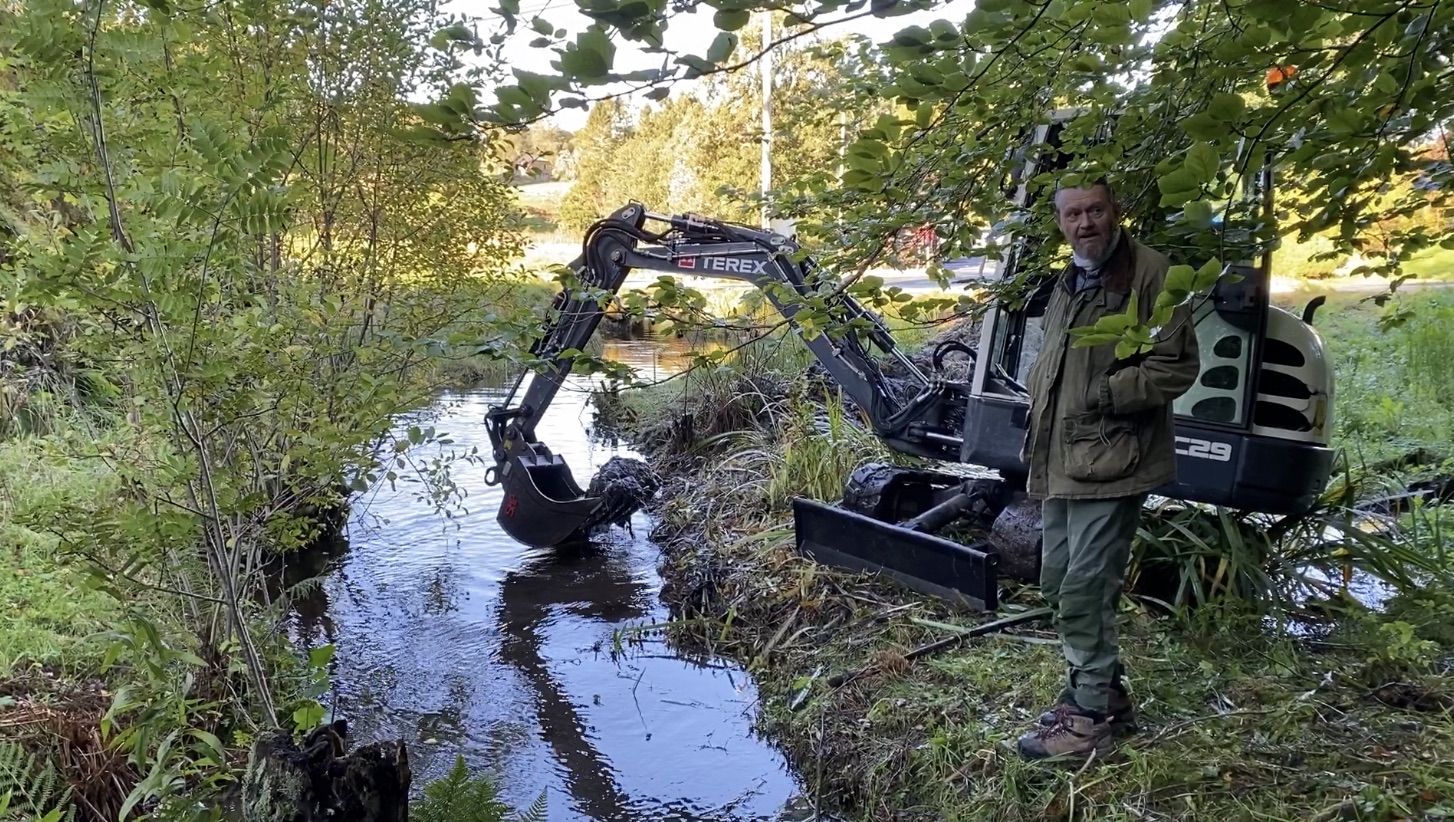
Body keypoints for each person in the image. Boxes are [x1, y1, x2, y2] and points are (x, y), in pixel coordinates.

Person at [1015, 177, 1201, 760]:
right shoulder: (1071, 277)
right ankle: (1104, 693)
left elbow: (1175, 366)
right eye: (1073, 214)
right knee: (1056, 579)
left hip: (1114, 455)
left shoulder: (1150, 273)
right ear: (1060, 222)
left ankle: (1091, 715)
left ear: (1115, 211)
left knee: (1085, 585)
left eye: (1095, 210)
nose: (1085, 223)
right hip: (1063, 455)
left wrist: (1106, 393)